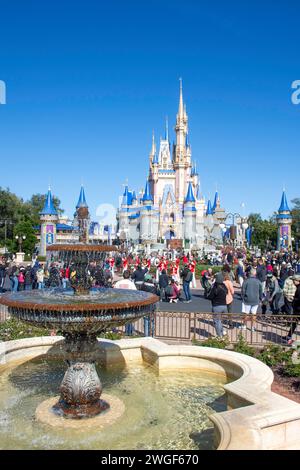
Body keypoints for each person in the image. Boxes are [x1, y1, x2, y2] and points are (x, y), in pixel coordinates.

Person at [114, 270, 137, 335]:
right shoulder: (131, 283)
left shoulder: (118, 283)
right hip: (128, 302)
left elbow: (114, 292)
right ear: (129, 276)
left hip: (120, 302)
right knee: (128, 317)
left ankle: (114, 330)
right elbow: (136, 293)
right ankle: (128, 332)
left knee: (118, 316)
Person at [207, 272, 228, 337]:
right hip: (224, 305)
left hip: (216, 306)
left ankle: (220, 335)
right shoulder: (224, 286)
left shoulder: (215, 287)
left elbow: (210, 296)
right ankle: (222, 331)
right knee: (219, 321)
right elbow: (227, 293)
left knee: (216, 321)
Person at [283, 274, 300, 345]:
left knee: (294, 323)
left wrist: (294, 300)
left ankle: (289, 337)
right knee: (294, 323)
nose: (293, 282)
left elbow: (299, 299)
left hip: (298, 310)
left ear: (297, 281)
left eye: (294, 281)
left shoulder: (299, 288)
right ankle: (289, 336)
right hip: (297, 309)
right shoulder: (298, 287)